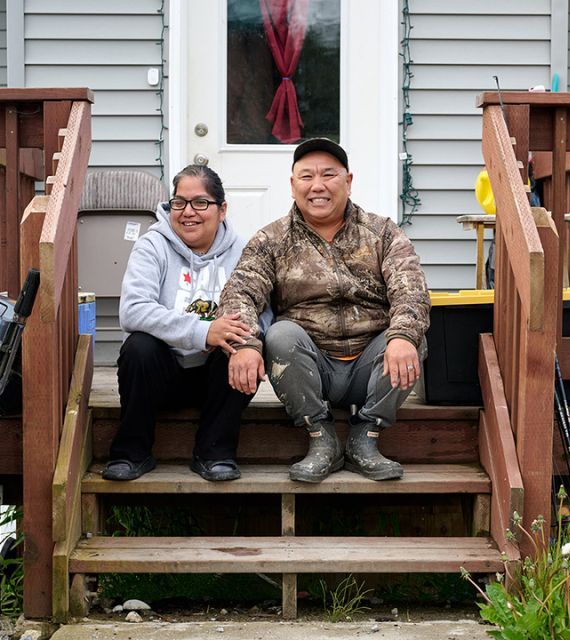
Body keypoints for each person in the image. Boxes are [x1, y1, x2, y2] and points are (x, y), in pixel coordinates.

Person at [218, 138, 430, 483]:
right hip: (310, 366)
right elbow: (240, 292)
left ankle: (367, 436)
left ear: (348, 181)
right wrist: (245, 345)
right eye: (306, 177)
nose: (317, 186)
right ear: (292, 186)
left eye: (329, 175)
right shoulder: (270, 240)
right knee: (280, 335)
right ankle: (321, 439)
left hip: (372, 366)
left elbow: (412, 289)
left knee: (411, 340)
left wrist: (403, 335)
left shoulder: (383, 233)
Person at [103, 165, 259, 482]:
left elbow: (262, 310)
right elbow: (132, 310)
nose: (188, 212)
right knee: (139, 346)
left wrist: (247, 344)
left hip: (217, 379)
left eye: (200, 202)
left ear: (222, 209)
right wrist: (203, 331)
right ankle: (132, 452)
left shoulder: (243, 252)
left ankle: (214, 452)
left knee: (244, 346)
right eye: (180, 203)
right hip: (161, 376)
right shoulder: (153, 245)